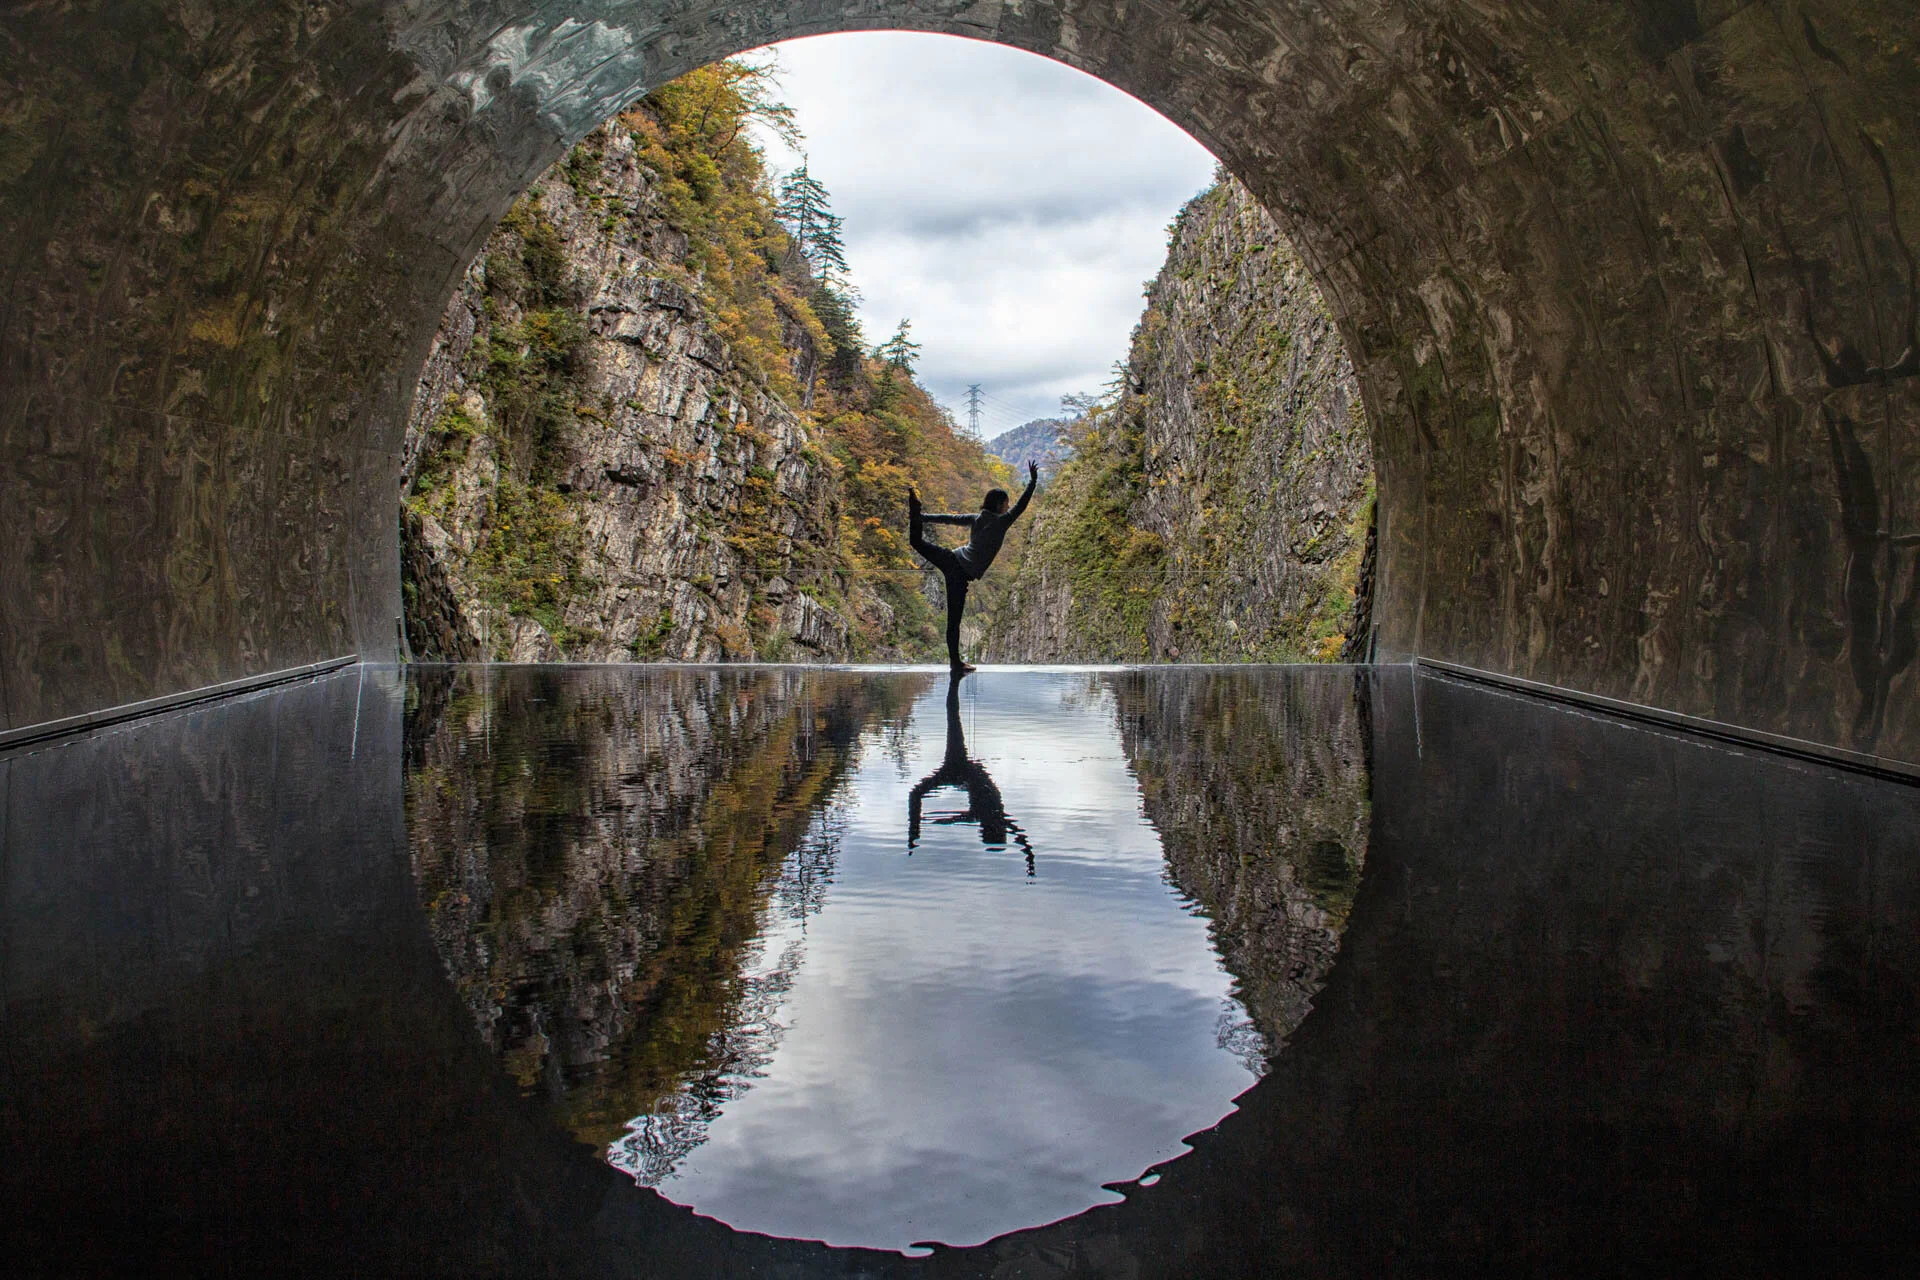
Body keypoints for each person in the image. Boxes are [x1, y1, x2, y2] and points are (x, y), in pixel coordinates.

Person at [908, 460, 1038, 673]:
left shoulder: (976, 519)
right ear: (999, 505)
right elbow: (1021, 506)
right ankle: (955, 664)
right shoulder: (1002, 522)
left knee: (917, 542)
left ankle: (915, 512)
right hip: (959, 573)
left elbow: (949, 519)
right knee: (954, 621)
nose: (1008, 506)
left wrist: (923, 518)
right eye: (1006, 503)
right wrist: (1032, 482)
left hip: (951, 559)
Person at [906, 673, 1035, 876]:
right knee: (953, 721)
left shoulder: (995, 819)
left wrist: (1029, 858)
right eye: (984, 833)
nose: (981, 830)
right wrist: (1029, 859)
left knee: (953, 722)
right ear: (992, 831)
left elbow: (1020, 838)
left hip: (961, 774)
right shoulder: (995, 818)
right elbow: (1021, 838)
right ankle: (913, 831)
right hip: (961, 772)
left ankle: (913, 831)